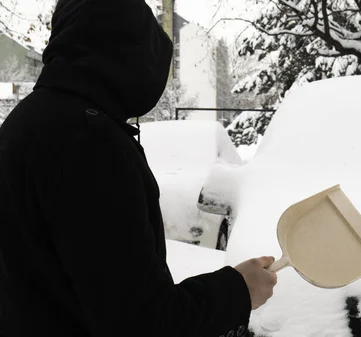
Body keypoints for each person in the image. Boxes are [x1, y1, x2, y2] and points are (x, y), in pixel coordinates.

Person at [0, 0, 277, 336]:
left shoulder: (23, 124)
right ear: (128, 47)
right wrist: (238, 291)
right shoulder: (90, 144)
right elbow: (141, 322)